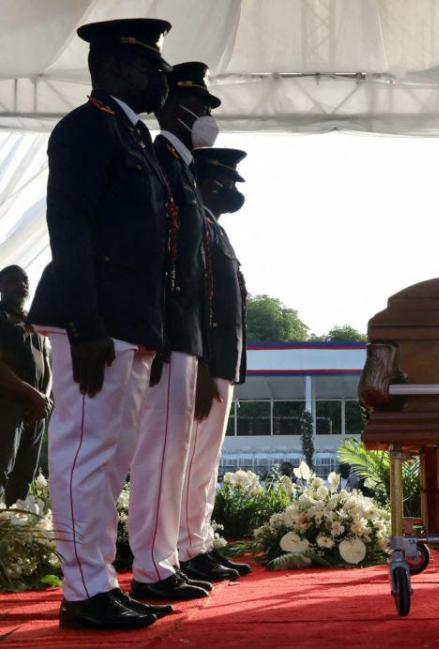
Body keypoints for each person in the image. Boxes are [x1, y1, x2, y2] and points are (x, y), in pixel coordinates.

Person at [26, 18, 176, 629]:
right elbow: (70, 226)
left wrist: (151, 332)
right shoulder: (87, 129)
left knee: (109, 460)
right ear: (114, 67)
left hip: (125, 321)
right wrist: (86, 327)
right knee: (85, 455)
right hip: (94, 321)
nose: (159, 79)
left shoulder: (131, 136)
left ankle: (98, 583)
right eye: (149, 67)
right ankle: (83, 593)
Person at [128, 61, 231, 601]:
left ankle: (163, 558)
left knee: (172, 457)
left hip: (184, 337)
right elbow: (158, 260)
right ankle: (152, 565)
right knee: (160, 457)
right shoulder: (161, 161)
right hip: (169, 336)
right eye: (197, 107)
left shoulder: (178, 166)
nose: (204, 117)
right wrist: (163, 334)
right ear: (173, 107)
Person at [179, 148, 252, 581]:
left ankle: (198, 544)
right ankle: (186, 550)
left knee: (205, 464)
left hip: (223, 363)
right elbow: (193, 301)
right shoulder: (198, 228)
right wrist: (203, 367)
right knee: (191, 462)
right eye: (225, 183)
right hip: (205, 365)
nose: (232, 192)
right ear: (206, 182)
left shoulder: (214, 229)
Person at [0, 266, 52, 506]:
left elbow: (47, 366)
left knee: (23, 484)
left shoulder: (35, 323)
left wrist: (45, 399)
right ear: (1, 286)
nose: (21, 283)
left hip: (35, 413)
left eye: (25, 280)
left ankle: (13, 540)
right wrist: (33, 394)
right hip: (7, 408)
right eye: (13, 279)